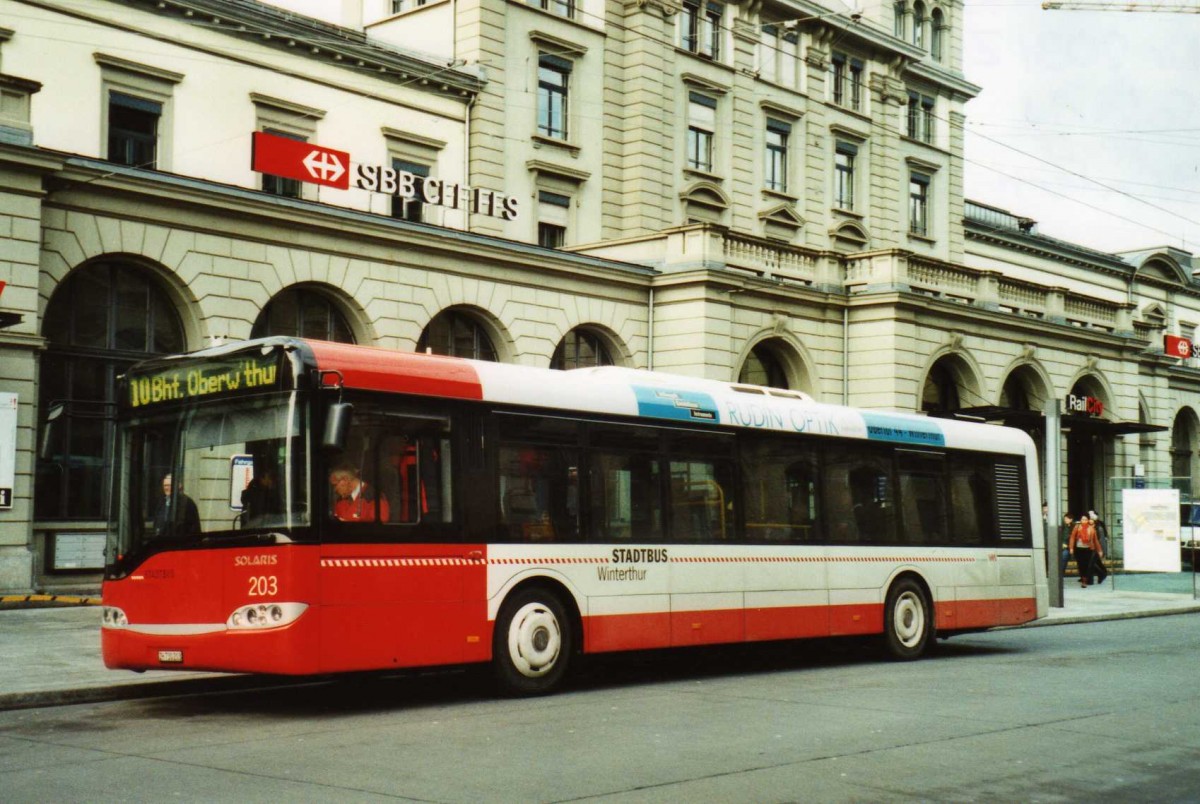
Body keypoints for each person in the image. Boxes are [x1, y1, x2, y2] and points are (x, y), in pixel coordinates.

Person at [153, 473, 201, 539]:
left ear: (179, 486)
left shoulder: (188, 503)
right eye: (165, 485)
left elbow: (194, 529)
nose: (166, 488)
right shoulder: (161, 502)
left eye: (169, 485)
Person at [1069, 513, 1101, 588]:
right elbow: (1072, 538)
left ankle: (1085, 581)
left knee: (1087, 565)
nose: (1084, 521)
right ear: (1080, 520)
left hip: (1088, 549)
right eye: (1082, 519)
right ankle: (1083, 579)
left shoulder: (1091, 528)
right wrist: (1071, 548)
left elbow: (1095, 540)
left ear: (1088, 520)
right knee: (1081, 565)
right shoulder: (1077, 527)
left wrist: (1099, 550)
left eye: (1085, 519)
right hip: (1079, 549)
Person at [1060, 512, 1074, 577]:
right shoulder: (1062, 526)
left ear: (1071, 520)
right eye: (1065, 518)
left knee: (1064, 558)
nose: (1065, 520)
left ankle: (1061, 573)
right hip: (1061, 545)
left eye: (1067, 519)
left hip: (1067, 547)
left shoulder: (1073, 527)